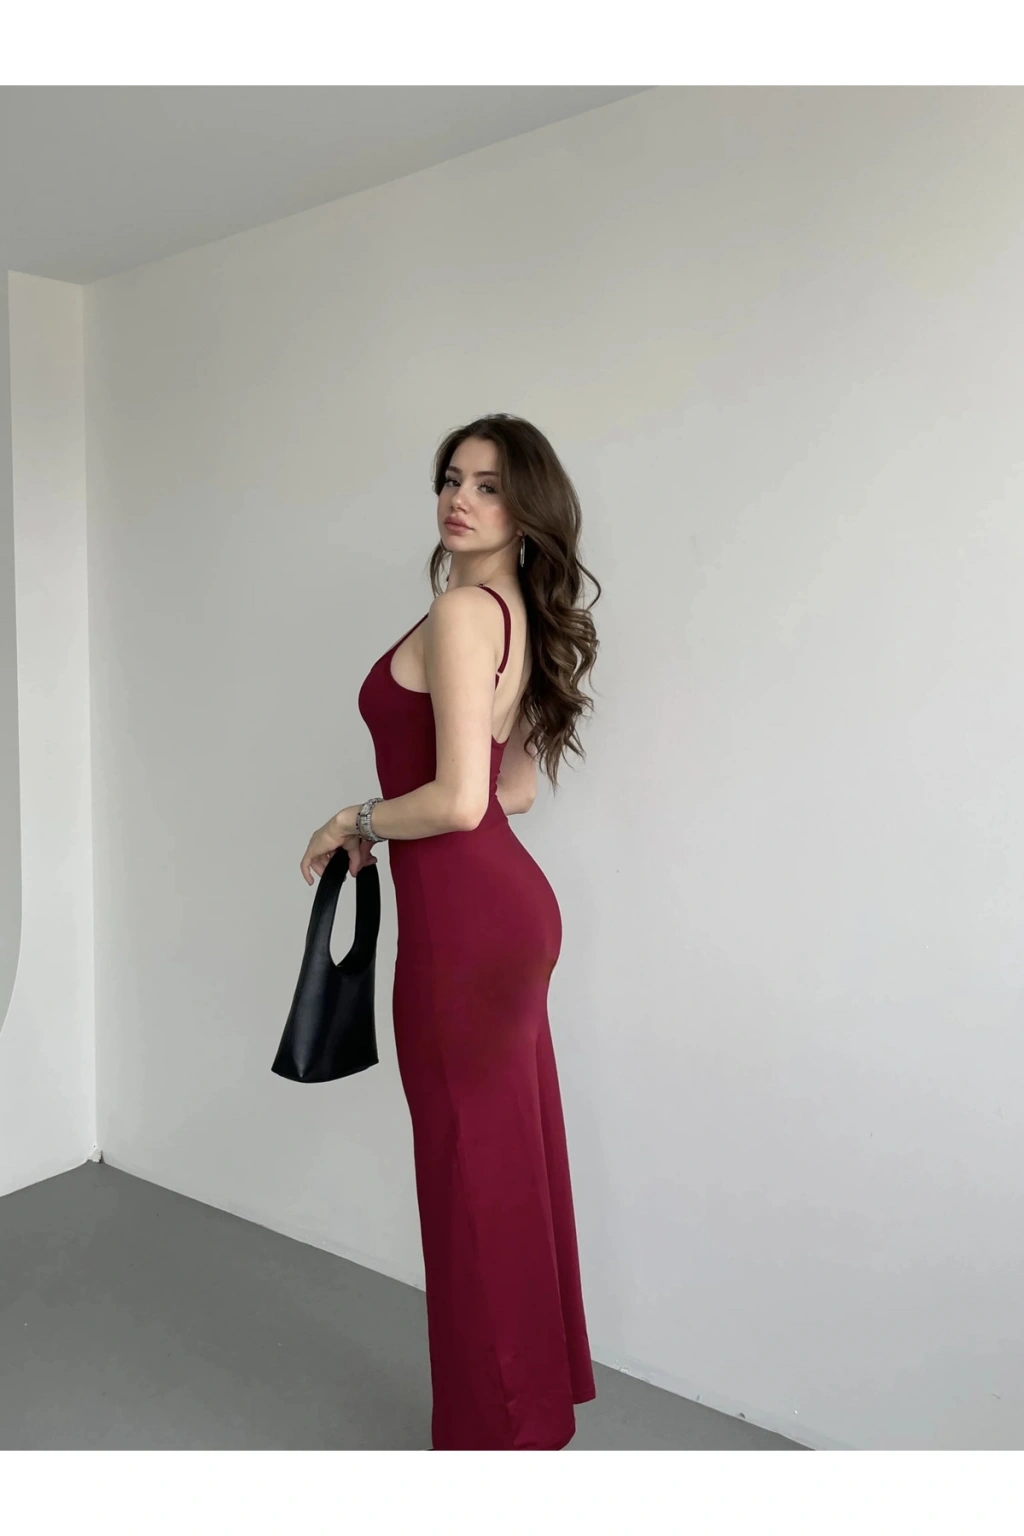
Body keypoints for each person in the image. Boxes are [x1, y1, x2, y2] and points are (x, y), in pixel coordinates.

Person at [300, 413, 601, 1451]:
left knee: (471, 1177)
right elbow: (511, 788)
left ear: (527, 506)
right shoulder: (510, 611)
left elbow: (463, 799)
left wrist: (356, 819)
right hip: (500, 913)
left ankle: (496, 1439)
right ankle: (523, 1419)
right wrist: (402, 818)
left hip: (465, 930)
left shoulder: (463, 611)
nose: (459, 499)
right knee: (501, 1167)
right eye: (450, 478)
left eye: (487, 484)